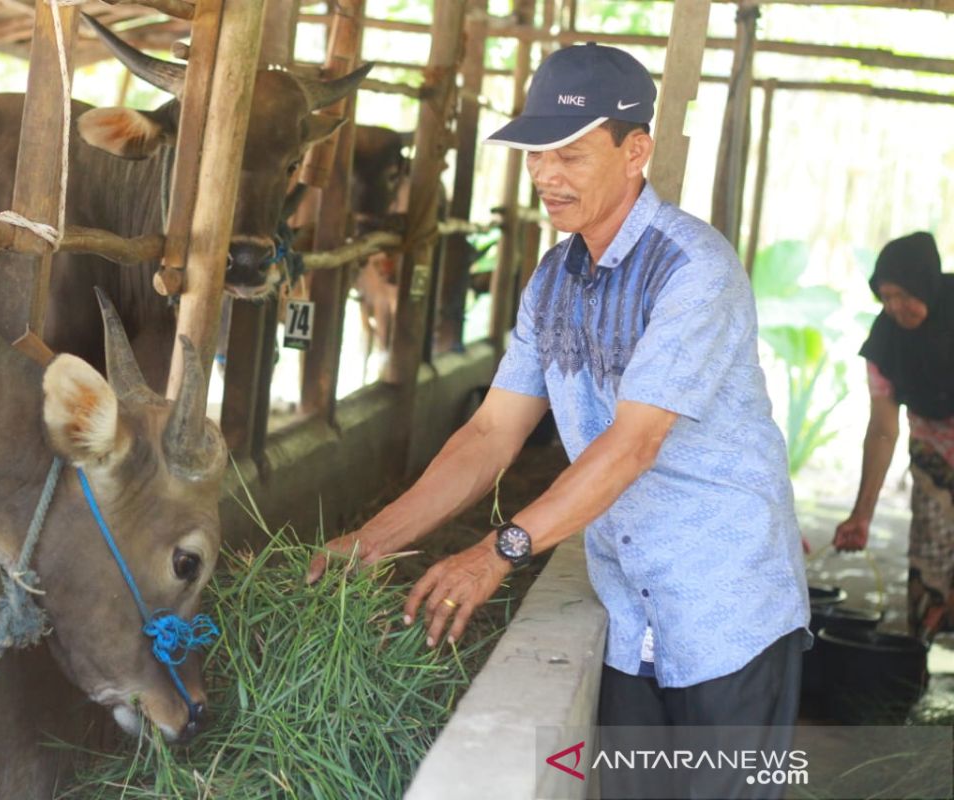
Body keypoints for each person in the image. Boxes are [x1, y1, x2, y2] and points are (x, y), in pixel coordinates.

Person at [306, 43, 810, 797]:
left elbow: (633, 445)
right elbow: (489, 434)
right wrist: (371, 541)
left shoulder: (693, 271)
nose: (545, 175)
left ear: (635, 151)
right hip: (630, 610)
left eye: (569, 154)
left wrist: (498, 552)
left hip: (725, 611)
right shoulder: (554, 278)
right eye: (536, 154)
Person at [834, 232, 954, 643]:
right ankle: (916, 670)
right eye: (886, 297)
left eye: (903, 294)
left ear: (925, 282)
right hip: (934, 453)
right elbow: (883, 430)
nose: (895, 307)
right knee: (930, 558)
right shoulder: (886, 339)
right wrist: (861, 513)